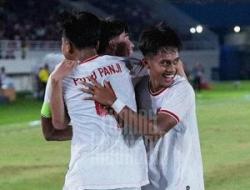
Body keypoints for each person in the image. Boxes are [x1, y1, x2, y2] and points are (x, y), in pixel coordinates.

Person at [83, 23, 205, 190]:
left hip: (180, 184)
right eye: (164, 63)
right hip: (148, 183)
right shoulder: (140, 87)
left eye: (175, 62)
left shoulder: (181, 90)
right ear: (146, 63)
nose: (171, 69)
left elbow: (155, 130)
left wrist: (113, 101)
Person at [42, 11, 148, 190]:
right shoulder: (126, 65)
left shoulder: (61, 77)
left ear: (67, 47)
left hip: (87, 175)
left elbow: (57, 126)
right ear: (97, 43)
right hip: (129, 173)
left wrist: (54, 81)